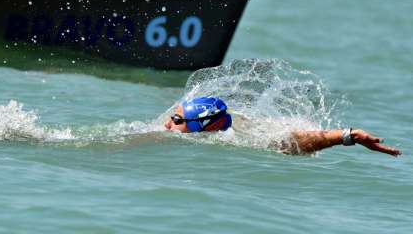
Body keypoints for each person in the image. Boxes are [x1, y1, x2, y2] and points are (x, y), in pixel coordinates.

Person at [164, 97, 401, 157]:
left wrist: (347, 136)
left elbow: (293, 142)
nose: (167, 123)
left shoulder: (240, 137)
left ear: (209, 126)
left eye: (176, 120)